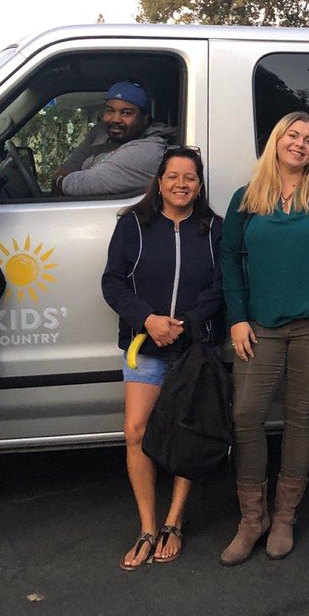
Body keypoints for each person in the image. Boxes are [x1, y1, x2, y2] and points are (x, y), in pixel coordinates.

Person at [219, 111, 309, 564]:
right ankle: (251, 520)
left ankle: (283, 518)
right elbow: (228, 258)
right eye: (292, 135)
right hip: (259, 327)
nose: (299, 144)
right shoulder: (247, 198)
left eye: (308, 139)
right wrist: (237, 318)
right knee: (246, 416)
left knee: (301, 417)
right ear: (277, 141)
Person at [101, 146, 225, 569]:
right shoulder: (132, 224)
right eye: (173, 176)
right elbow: (113, 282)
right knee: (136, 432)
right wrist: (148, 319)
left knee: (187, 433)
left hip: (194, 348)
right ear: (159, 181)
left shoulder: (215, 229)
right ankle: (147, 527)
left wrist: (185, 324)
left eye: (190, 177)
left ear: (199, 184)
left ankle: (174, 521)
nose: (181, 184)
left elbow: (221, 287)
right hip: (146, 345)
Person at [51, 79, 175, 197]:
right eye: (110, 111)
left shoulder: (151, 149)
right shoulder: (100, 133)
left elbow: (85, 184)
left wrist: (59, 183)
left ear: (144, 119)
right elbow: (69, 165)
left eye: (126, 113)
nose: (115, 119)